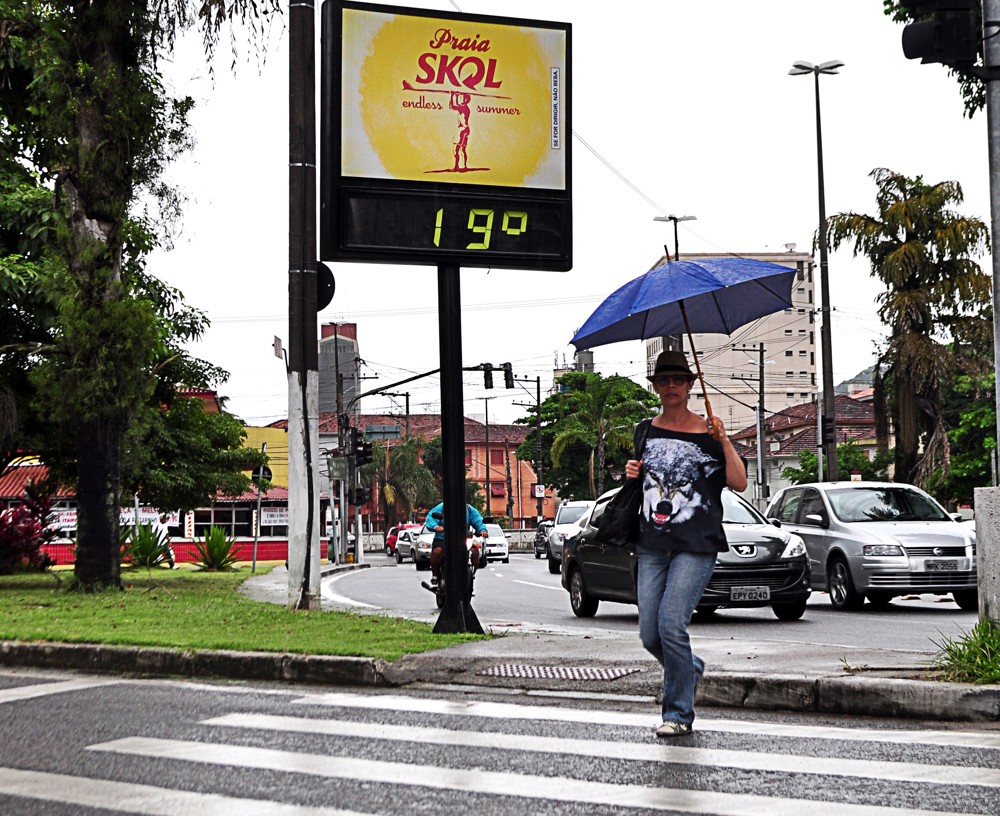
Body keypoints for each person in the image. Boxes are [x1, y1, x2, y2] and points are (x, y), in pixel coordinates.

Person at [624, 350, 747, 738]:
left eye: (679, 380)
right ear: (656, 387)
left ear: (691, 385)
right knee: (649, 634)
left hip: (696, 543)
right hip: (651, 542)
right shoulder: (645, 430)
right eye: (664, 380)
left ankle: (678, 713)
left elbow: (739, 482)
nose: (671, 386)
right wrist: (630, 473)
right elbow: (641, 482)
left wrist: (724, 440)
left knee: (671, 624)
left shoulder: (709, 432)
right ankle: (689, 669)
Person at [424, 501, 488, 582]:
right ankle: (435, 575)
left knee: (475, 551)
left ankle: (472, 574)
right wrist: (435, 526)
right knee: (437, 551)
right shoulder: (442, 508)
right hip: (444, 539)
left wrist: (482, 530)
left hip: (463, 539)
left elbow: (478, 520)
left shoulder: (469, 509)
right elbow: (431, 518)